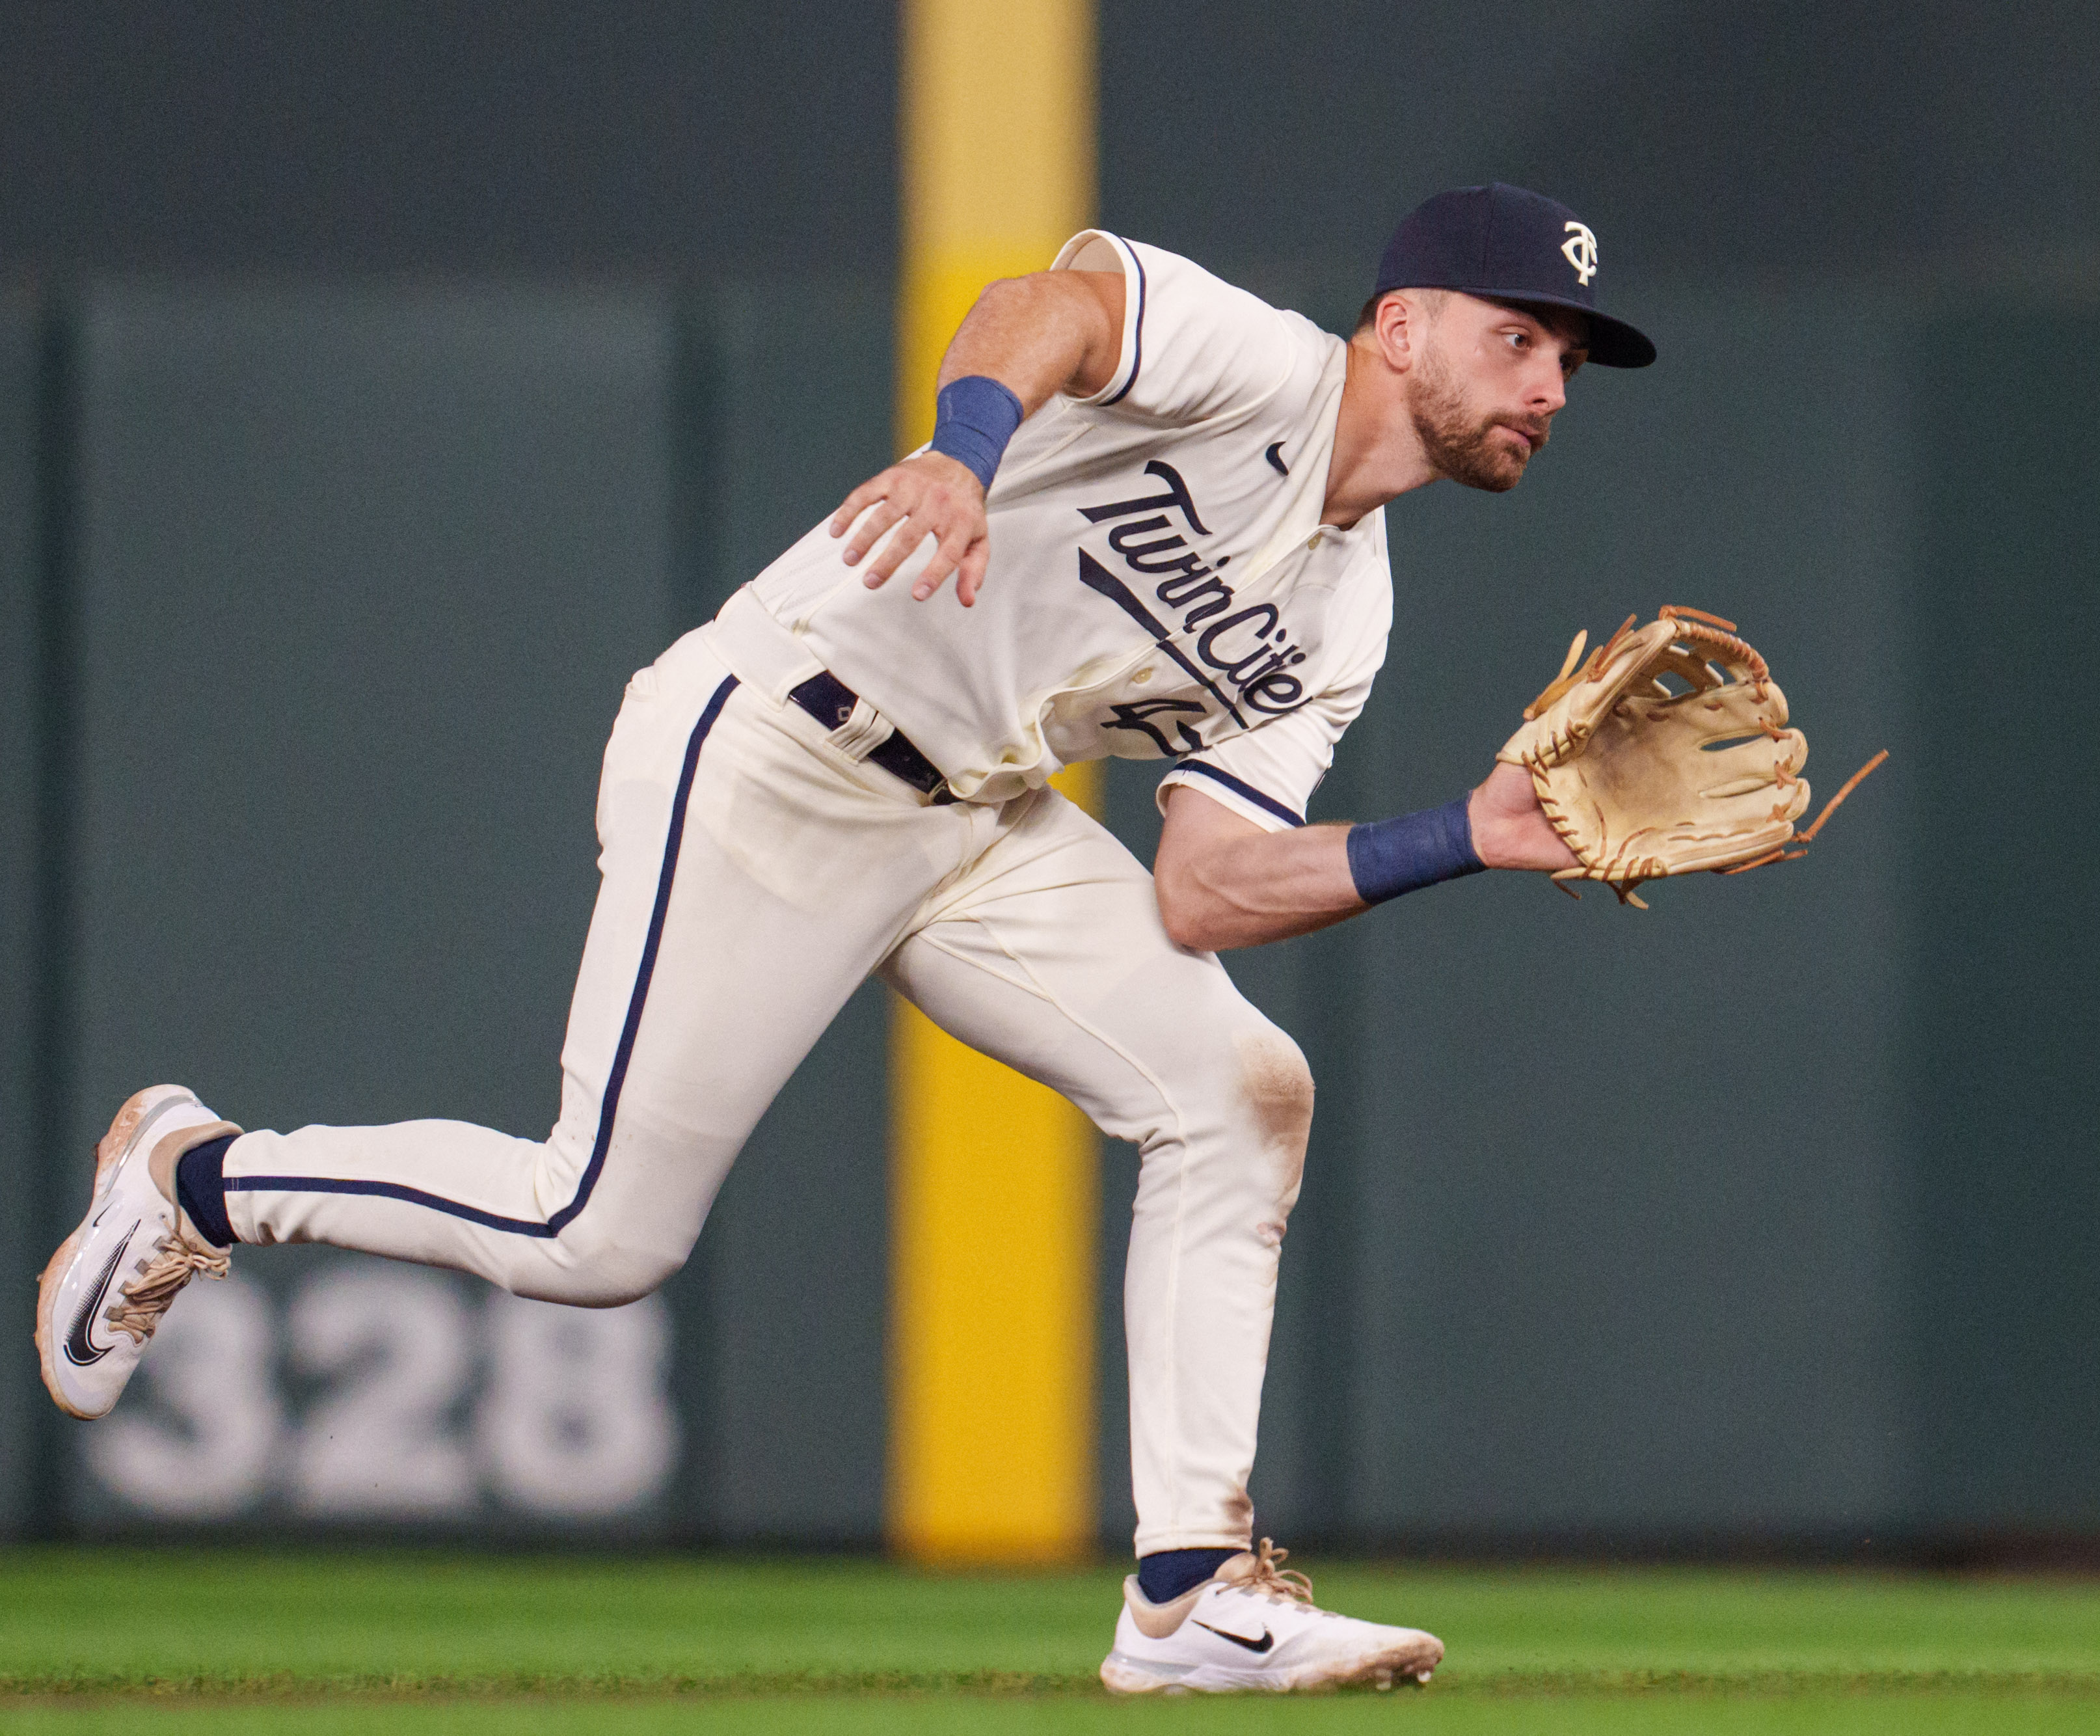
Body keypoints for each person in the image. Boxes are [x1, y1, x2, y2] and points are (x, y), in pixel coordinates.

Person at [36, 182, 1655, 1694]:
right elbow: (1059, 303)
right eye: (1517, 336)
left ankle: (1189, 1595)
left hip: (977, 817)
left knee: (1243, 1088)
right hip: (777, 738)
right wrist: (962, 446)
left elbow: (1208, 889)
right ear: (1399, 327)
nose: (1549, 383)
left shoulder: (1346, 613)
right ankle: (196, 1177)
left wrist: (1471, 834)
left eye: (1568, 357)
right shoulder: (1264, 369)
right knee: (597, 1233)